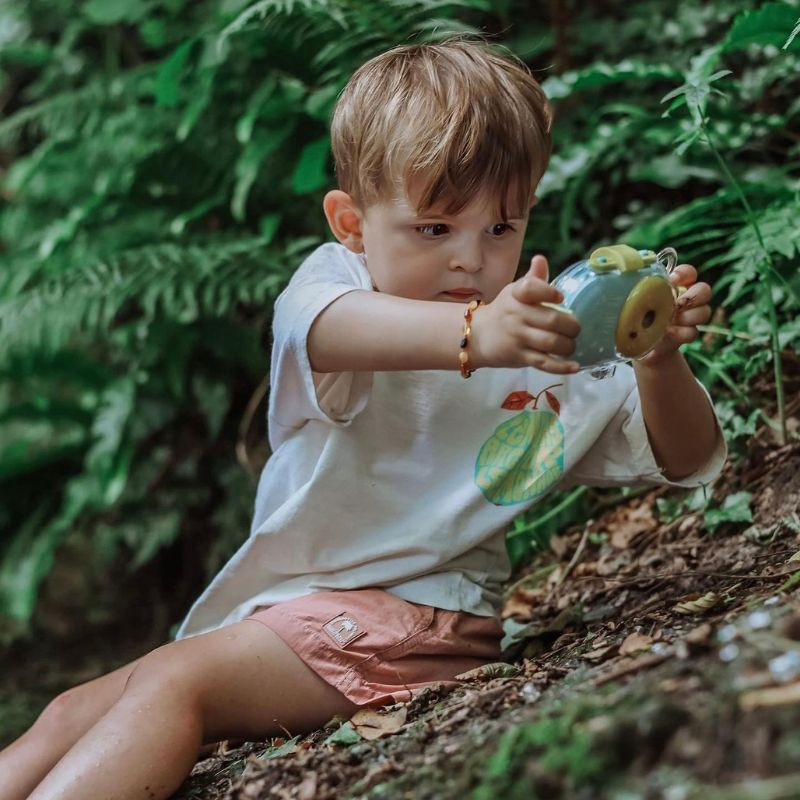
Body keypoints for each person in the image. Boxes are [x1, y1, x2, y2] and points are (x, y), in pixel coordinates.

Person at [1, 38, 725, 800]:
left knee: (176, 686)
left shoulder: (545, 342)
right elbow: (321, 329)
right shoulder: (342, 289)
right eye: (434, 229)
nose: (471, 260)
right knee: (68, 711)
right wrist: (477, 334)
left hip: (421, 620)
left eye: (500, 229)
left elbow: (686, 456)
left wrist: (658, 358)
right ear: (351, 223)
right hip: (305, 611)